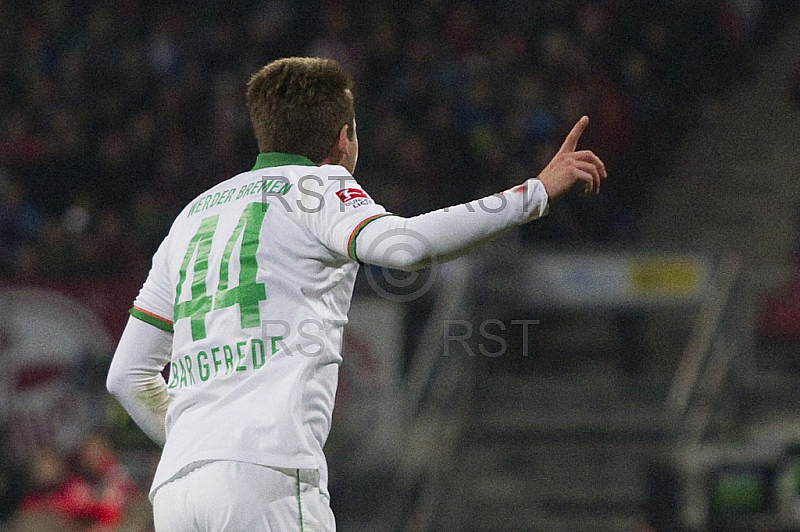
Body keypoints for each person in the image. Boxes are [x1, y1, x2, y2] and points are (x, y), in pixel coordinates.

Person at [106, 56, 606, 531]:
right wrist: (534, 193)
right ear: (344, 139)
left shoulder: (191, 216)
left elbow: (127, 377)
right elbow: (405, 246)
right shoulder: (319, 186)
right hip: (265, 478)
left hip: (175, 492)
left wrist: (202, 443)